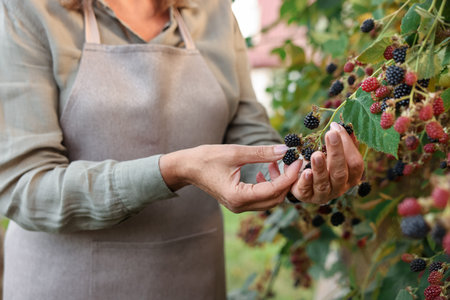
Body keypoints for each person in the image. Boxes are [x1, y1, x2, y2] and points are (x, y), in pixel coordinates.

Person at [0, 0, 363, 298]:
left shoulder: (214, 11)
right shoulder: (28, 11)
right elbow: (24, 185)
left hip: (194, 279)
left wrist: (295, 176)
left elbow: (247, 134)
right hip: (67, 284)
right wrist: (173, 170)